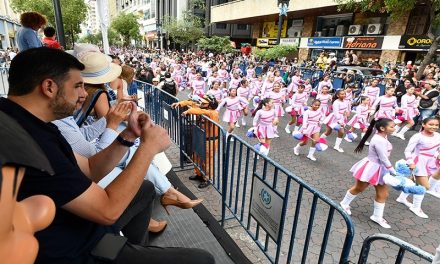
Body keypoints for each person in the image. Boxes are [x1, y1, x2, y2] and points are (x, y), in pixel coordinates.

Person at [1, 47, 214, 263]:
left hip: (87, 231)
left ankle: (131, 249)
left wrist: (129, 136)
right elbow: (107, 210)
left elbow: (89, 169)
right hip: (81, 249)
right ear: (49, 87)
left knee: (145, 189)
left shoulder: (29, 124)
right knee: (203, 260)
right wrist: (148, 148)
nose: (84, 94)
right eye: (77, 86)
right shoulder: (29, 142)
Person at [340, 118, 396, 228]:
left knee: (383, 193)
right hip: (371, 168)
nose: (394, 128)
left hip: (381, 169)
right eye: (392, 127)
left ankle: (377, 216)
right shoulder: (379, 139)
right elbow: (383, 157)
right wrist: (392, 170)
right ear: (382, 128)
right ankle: (344, 203)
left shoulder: (383, 136)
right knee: (359, 188)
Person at [171, 94, 219, 189]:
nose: (200, 103)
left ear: (209, 105)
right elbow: (191, 103)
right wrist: (180, 103)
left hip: (210, 141)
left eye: (204, 103)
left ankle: (207, 178)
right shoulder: (203, 107)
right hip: (201, 138)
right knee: (196, 156)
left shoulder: (213, 113)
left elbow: (199, 110)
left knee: (207, 160)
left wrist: (188, 111)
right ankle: (199, 174)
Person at [396, 117, 440, 219]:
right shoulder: (417, 136)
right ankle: (416, 207)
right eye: (431, 124)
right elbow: (407, 151)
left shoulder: (438, 135)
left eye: (436, 125)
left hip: (430, 162)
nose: (434, 127)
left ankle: (401, 198)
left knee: (413, 182)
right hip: (418, 162)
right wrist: (411, 163)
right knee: (424, 186)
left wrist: (438, 155)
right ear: (423, 124)